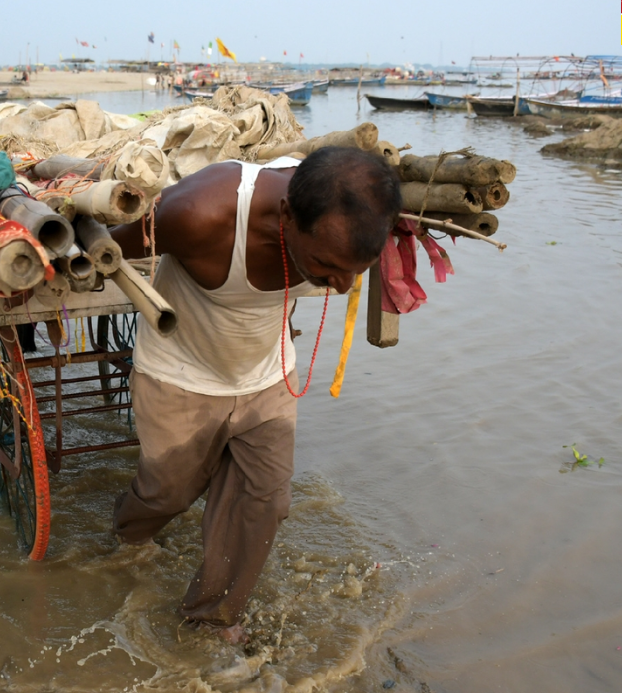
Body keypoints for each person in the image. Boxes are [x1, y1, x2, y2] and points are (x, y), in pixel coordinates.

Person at [108, 147, 402, 643]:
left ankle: (211, 618)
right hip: (182, 374)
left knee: (266, 501)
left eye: (357, 269)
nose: (341, 284)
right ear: (286, 215)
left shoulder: (353, 224)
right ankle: (125, 536)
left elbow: (348, 260)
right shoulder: (201, 215)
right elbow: (106, 253)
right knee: (169, 493)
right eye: (327, 266)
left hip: (268, 377)